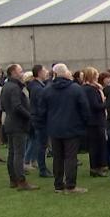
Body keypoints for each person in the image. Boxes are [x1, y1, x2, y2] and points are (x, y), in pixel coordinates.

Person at [37, 63, 90, 194]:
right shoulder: (76, 89)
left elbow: (41, 111)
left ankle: (58, 185)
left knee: (57, 157)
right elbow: (85, 109)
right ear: (66, 73)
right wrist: (84, 124)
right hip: (72, 128)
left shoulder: (47, 90)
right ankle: (71, 185)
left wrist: (45, 125)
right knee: (71, 157)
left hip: (54, 129)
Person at [0, 64, 38, 191]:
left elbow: (3, 105)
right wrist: (29, 116)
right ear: (14, 73)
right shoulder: (15, 87)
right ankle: (21, 180)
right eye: (20, 71)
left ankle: (13, 179)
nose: (22, 73)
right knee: (18, 153)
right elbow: (17, 106)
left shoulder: (6, 86)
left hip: (10, 122)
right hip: (17, 124)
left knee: (12, 153)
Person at [79, 67, 109, 179]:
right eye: (95, 75)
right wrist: (106, 103)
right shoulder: (90, 90)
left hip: (93, 121)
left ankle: (97, 166)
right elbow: (95, 106)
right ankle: (96, 167)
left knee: (96, 145)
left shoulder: (88, 88)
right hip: (95, 121)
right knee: (97, 145)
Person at [26, 64, 51, 178]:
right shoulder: (38, 88)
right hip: (40, 121)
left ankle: (41, 166)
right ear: (40, 72)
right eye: (45, 70)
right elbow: (41, 106)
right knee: (42, 145)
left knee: (40, 144)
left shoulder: (37, 86)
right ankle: (42, 169)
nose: (46, 72)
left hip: (37, 119)